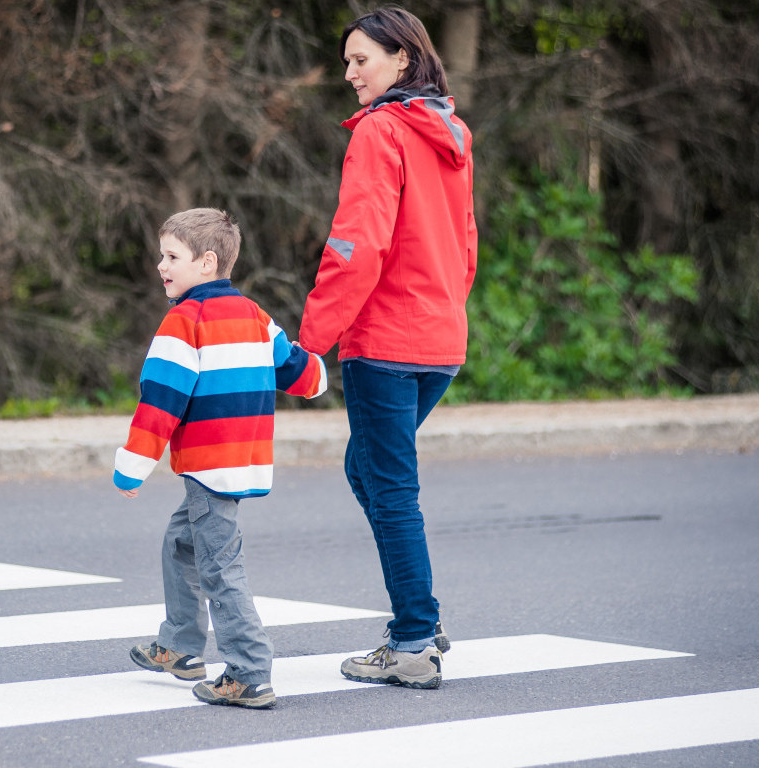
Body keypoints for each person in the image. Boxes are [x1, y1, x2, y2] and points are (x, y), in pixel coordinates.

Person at [298, 6, 477, 690]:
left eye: (360, 60)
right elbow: (465, 245)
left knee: (390, 487)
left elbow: (355, 246)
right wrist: (447, 316)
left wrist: (312, 344)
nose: (349, 74)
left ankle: (413, 638)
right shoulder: (451, 132)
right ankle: (417, 622)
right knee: (368, 471)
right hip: (439, 339)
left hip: (386, 341)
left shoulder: (381, 132)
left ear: (403, 59)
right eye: (346, 62)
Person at [114, 207, 328, 709]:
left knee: (220, 567)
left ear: (207, 262)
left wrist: (132, 466)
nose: (160, 265)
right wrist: (319, 373)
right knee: (180, 542)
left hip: (209, 467)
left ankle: (249, 673)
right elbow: (297, 371)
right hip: (241, 459)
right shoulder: (255, 316)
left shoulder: (183, 321)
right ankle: (180, 646)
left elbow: (159, 401)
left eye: (171, 256)